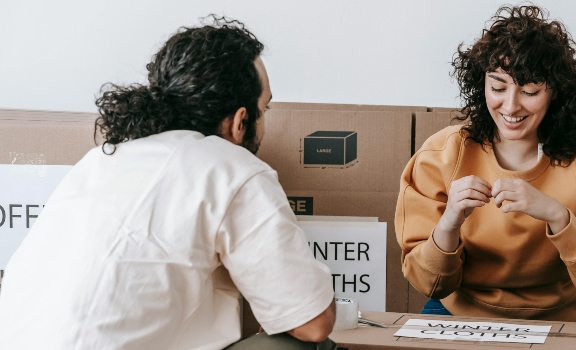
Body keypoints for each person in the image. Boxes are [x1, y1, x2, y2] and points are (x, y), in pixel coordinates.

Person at [0, 17, 337, 349]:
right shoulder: (233, 168)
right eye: (265, 108)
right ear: (239, 121)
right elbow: (311, 322)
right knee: (302, 345)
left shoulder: (102, 160)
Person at [395, 5, 576, 321]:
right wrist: (450, 222)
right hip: (456, 311)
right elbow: (429, 283)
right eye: (498, 87)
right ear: (480, 84)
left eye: (529, 90)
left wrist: (557, 216)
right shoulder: (441, 153)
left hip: (553, 319)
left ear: (555, 91)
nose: (510, 105)